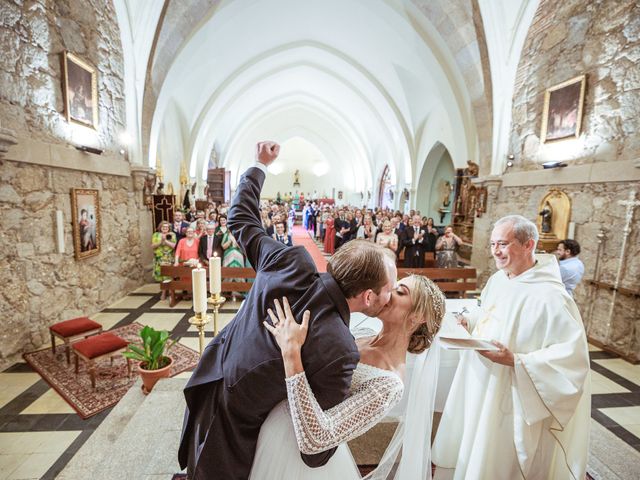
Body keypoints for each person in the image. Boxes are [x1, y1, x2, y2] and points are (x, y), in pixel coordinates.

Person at [179, 142, 397, 480]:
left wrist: (260, 164)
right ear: (368, 298)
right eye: (389, 289)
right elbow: (315, 451)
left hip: (211, 372)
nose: (392, 296)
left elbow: (240, 218)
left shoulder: (290, 261)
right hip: (236, 422)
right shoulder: (339, 349)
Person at [432, 215, 591, 480]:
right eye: (493, 243)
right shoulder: (499, 279)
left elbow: (571, 361)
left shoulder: (552, 297)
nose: (495, 251)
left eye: (503, 244)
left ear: (528, 245)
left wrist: (516, 360)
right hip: (480, 381)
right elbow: (489, 316)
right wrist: (468, 321)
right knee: (474, 439)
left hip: (513, 394)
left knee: (496, 456)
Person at [250, 275, 445, 479]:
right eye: (391, 287)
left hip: (297, 459)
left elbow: (317, 438)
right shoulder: (361, 332)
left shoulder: (390, 385)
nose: (386, 293)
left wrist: (291, 353)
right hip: (272, 423)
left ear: (419, 315)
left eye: (400, 292)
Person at [151, 221, 177, 299]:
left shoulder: (172, 235)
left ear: (169, 228)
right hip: (159, 258)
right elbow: (152, 246)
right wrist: (160, 241)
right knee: (161, 276)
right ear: (160, 228)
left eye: (166, 227)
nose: (165, 228)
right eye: (163, 227)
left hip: (168, 258)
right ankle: (164, 291)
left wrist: (165, 241)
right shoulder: (156, 235)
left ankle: (168, 292)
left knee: (168, 276)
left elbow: (173, 246)